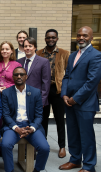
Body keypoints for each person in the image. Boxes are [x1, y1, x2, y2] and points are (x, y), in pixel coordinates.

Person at [59, 26, 101, 172]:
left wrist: (75, 99)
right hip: (69, 101)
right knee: (72, 132)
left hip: (85, 103)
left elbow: (92, 82)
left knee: (86, 135)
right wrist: (64, 95)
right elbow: (66, 77)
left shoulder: (97, 56)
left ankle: (89, 167)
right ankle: (75, 159)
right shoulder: (72, 56)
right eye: (78, 35)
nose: (81, 38)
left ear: (91, 37)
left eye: (85, 35)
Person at [1, 67, 50, 172]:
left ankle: (37, 171)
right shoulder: (6, 93)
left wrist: (32, 128)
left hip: (30, 126)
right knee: (5, 145)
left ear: (26, 76)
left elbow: (39, 115)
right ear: (13, 77)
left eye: (22, 74)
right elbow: (6, 115)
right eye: (16, 74)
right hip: (13, 126)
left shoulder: (36, 92)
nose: (19, 76)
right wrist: (16, 128)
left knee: (44, 148)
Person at [37, 29, 69, 158]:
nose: (51, 39)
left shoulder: (64, 53)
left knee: (60, 119)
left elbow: (68, 74)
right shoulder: (38, 53)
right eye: (48, 37)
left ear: (57, 38)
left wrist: (66, 92)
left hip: (58, 90)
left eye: (53, 37)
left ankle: (62, 146)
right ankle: (43, 144)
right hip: (43, 91)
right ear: (45, 39)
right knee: (42, 119)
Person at [17, 37, 51, 107]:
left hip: (37, 99)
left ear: (35, 47)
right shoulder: (19, 62)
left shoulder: (44, 62)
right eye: (25, 46)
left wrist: (42, 100)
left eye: (30, 46)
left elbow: (46, 82)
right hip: (21, 98)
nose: (27, 48)